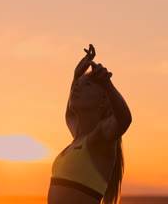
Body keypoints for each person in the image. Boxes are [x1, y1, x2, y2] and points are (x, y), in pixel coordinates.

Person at [47, 44, 132, 204]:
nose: (77, 87)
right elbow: (69, 114)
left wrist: (107, 84)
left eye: (86, 85)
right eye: (77, 85)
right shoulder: (78, 137)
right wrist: (76, 76)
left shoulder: (99, 140)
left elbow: (124, 119)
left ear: (103, 101)